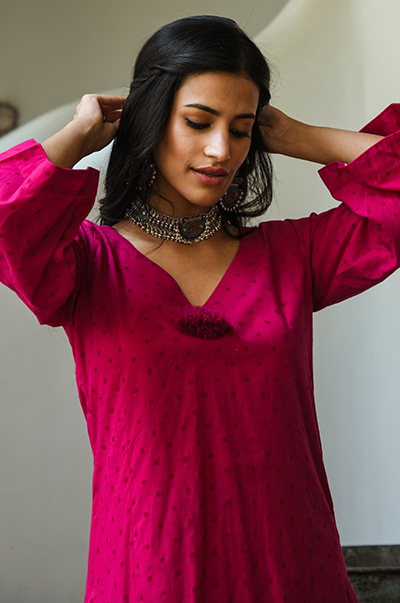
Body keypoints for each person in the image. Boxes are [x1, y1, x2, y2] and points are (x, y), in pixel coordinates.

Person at [0, 14, 399, 603]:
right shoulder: (85, 266)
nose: (221, 150)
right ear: (151, 118)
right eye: (197, 121)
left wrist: (299, 136)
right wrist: (80, 133)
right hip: (149, 567)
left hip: (290, 562)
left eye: (240, 130)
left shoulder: (293, 256)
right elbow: (7, 217)